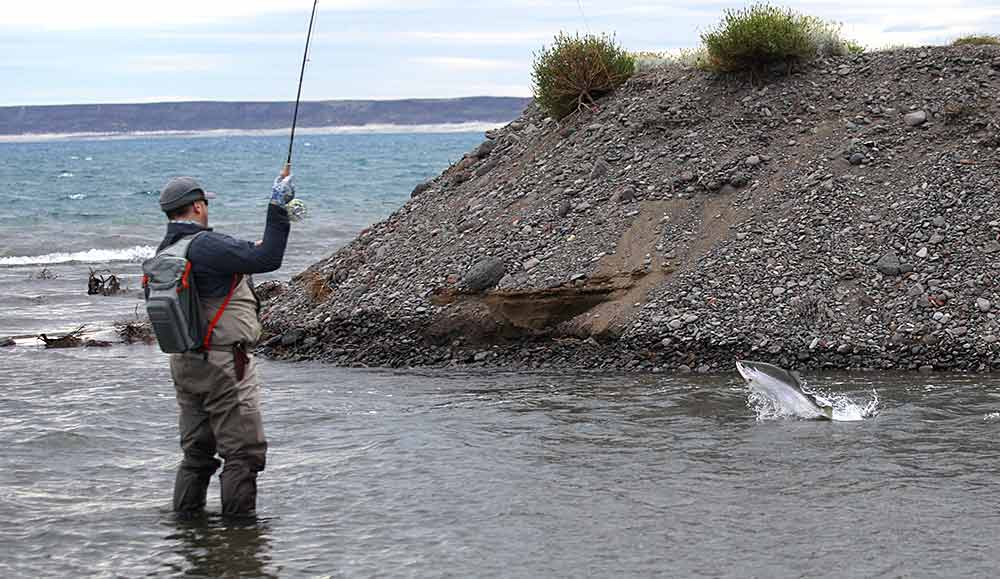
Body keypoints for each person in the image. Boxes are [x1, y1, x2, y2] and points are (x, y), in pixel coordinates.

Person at [156, 165, 296, 516]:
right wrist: (277, 207)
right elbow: (268, 259)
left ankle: (189, 537)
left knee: (196, 455)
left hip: (185, 362)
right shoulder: (206, 244)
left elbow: (241, 256)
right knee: (242, 454)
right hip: (224, 364)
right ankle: (240, 544)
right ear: (199, 206)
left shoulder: (166, 249)